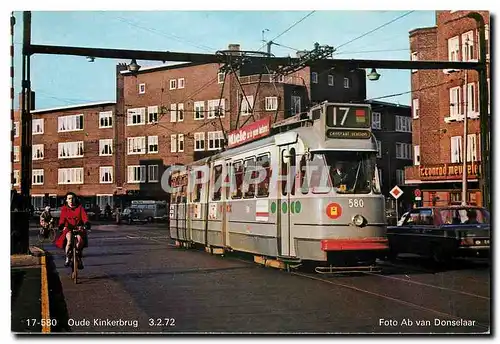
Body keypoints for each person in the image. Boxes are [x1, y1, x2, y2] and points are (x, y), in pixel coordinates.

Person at [54, 192, 91, 269]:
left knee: (80, 241)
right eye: (69, 198)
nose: (71, 200)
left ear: (75, 199)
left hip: (78, 227)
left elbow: (84, 217)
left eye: (72, 198)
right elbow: (62, 219)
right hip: (68, 228)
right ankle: (67, 257)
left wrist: (86, 223)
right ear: (66, 200)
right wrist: (61, 225)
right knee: (69, 240)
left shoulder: (79, 208)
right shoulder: (64, 209)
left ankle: (78, 256)